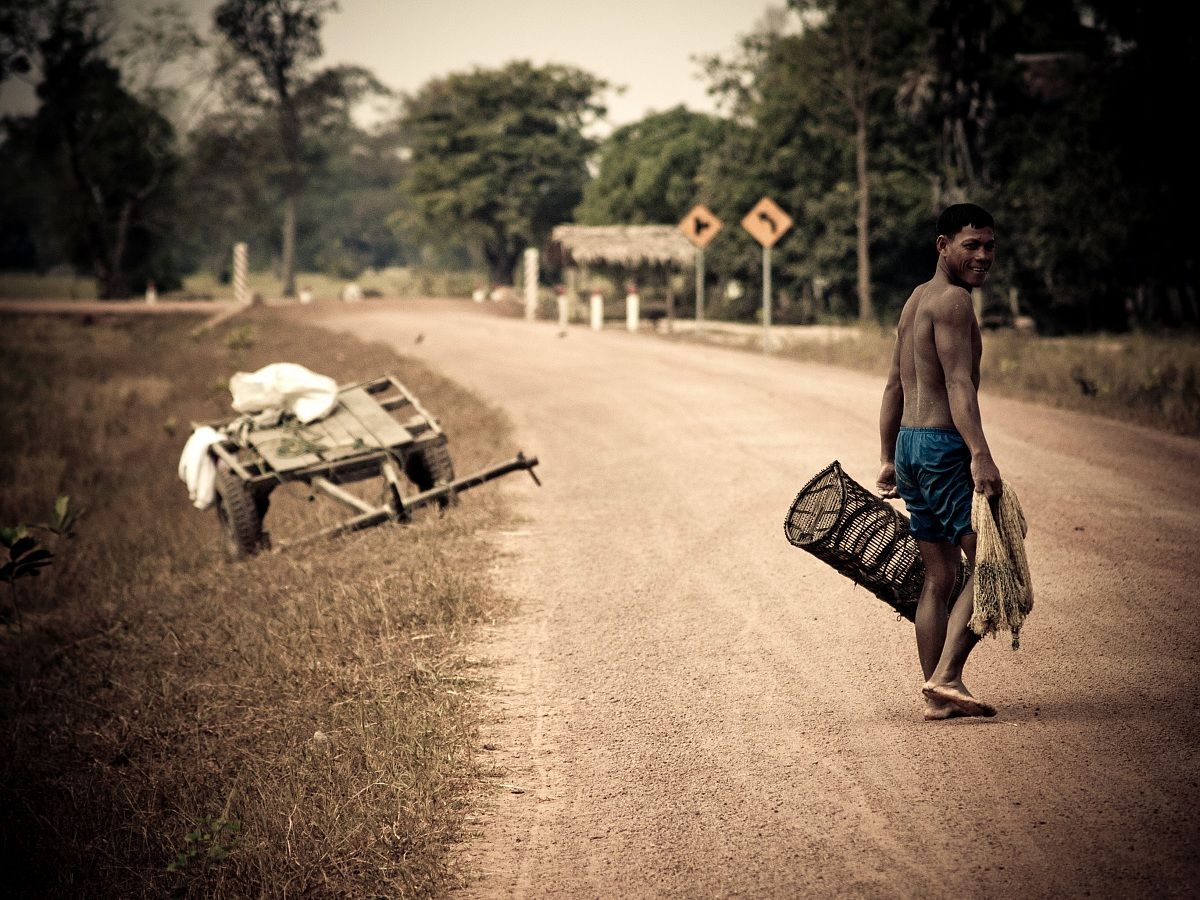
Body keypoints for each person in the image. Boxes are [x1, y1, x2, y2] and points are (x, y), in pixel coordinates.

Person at [876, 202, 1003, 721]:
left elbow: (892, 385)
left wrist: (888, 456)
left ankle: (938, 691)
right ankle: (948, 675)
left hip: (910, 445)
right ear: (942, 246)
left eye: (989, 245)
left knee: (939, 576)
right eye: (970, 245)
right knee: (996, 560)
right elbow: (958, 386)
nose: (982, 255)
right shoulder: (952, 302)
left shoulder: (915, 300)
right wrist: (980, 454)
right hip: (943, 447)